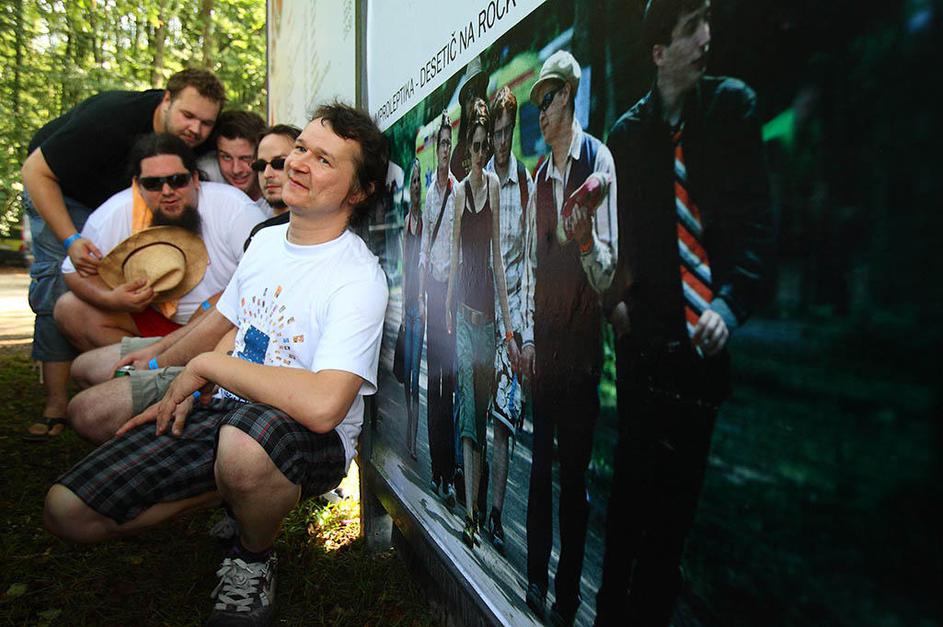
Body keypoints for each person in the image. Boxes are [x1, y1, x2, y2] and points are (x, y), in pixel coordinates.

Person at [43, 102, 390, 627]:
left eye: (324, 160)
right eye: (301, 148)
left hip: (302, 436)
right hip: (223, 411)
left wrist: (207, 367)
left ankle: (251, 555)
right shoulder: (267, 241)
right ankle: (231, 494)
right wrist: (168, 365)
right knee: (65, 511)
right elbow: (226, 323)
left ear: (358, 191)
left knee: (244, 446)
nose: (297, 163)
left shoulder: (357, 277)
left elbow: (324, 406)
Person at [596, 1, 775, 624]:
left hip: (701, 358)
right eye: (690, 28)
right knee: (628, 508)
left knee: (672, 522)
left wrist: (729, 302)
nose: (706, 39)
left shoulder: (732, 110)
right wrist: (615, 306)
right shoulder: (626, 138)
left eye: (707, 23)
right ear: (658, 52)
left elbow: (758, 228)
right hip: (644, 357)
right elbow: (610, 242)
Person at [21, 68, 225, 440]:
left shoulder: (198, 138)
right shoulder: (111, 119)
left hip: (132, 194)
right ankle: (55, 404)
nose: (196, 129)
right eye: (188, 116)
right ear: (166, 100)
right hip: (60, 189)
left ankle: (134, 371)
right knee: (58, 280)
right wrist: (71, 239)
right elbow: (34, 171)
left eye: (206, 123)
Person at [56, 133, 262, 444]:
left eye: (178, 180)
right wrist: (112, 298)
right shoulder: (117, 211)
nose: (167, 192)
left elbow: (256, 287)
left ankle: (156, 385)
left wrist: (164, 353)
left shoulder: (233, 207)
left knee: (90, 403)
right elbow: (71, 270)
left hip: (218, 328)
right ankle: (150, 386)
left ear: (195, 179)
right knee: (70, 311)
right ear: (138, 186)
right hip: (155, 319)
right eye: (153, 184)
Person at [524, 50, 618, 625]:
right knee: (538, 471)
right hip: (546, 345)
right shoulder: (538, 178)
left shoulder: (599, 161)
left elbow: (608, 275)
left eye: (548, 98)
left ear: (571, 95)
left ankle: (567, 598)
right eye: (538, 101)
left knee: (574, 479)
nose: (541, 110)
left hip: (583, 350)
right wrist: (528, 340)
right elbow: (530, 267)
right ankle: (534, 580)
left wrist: (584, 244)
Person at [445, 98, 516, 549]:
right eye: (473, 146)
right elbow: (454, 253)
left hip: (488, 318)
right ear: (466, 148)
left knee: (484, 413)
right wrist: (448, 305)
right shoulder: (458, 194)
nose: (478, 153)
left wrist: (508, 327)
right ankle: (471, 515)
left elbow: (497, 261)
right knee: (469, 415)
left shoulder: (493, 188)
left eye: (483, 146)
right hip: (464, 316)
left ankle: (478, 505)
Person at [482, 85, 536, 554]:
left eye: (506, 132)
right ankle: (474, 495)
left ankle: (496, 514)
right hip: (481, 311)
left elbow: (530, 261)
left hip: (514, 321)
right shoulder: (479, 182)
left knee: (505, 419)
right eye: (495, 133)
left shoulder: (525, 183)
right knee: (477, 410)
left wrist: (525, 333)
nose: (501, 141)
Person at [418, 111, 458, 506]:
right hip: (433, 292)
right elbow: (425, 248)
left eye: (448, 143)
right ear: (435, 151)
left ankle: (452, 469)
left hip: (454, 298)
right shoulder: (431, 195)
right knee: (436, 384)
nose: (444, 149)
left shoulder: (458, 193)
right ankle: (437, 469)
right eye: (440, 144)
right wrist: (421, 295)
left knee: (452, 383)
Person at [243, 124, 303, 250]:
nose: (267, 174)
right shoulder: (259, 233)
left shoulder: (318, 230)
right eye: (260, 166)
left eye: (279, 163)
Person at [197, 110, 267, 208]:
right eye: (226, 157)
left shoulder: (278, 187)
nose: (236, 170)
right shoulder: (205, 175)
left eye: (245, 158)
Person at [401, 158, 424, 460]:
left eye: (420, 181)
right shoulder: (407, 221)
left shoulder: (427, 221)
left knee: (416, 376)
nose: (417, 186)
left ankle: (414, 441)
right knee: (407, 377)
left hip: (421, 309)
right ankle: (408, 432)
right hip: (407, 308)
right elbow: (406, 266)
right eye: (414, 181)